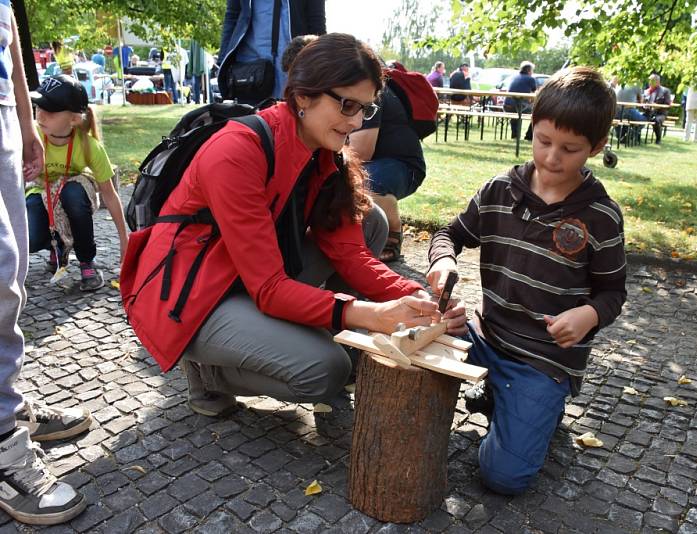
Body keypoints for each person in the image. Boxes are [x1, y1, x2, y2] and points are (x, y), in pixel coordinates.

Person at [120, 33, 449, 418]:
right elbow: (269, 289)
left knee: (371, 221)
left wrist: (419, 296)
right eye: (346, 105)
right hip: (193, 295)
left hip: (247, 276)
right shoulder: (237, 151)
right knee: (325, 370)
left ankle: (312, 340)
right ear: (302, 95)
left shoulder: (328, 155)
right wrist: (366, 314)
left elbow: (350, 253)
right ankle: (209, 372)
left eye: (365, 109)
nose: (356, 122)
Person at [427, 67, 626, 495]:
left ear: (597, 147)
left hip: (542, 361)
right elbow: (449, 234)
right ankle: (506, 402)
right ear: (532, 127)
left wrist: (588, 315)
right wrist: (443, 262)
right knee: (413, 333)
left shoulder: (601, 216)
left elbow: (613, 292)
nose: (552, 158)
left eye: (570, 149)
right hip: (486, 337)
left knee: (504, 477)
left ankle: (526, 407)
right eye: (543, 141)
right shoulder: (499, 190)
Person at [0, 5, 91, 524]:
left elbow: (6, 20)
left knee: (8, 278)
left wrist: (18, 114)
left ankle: (6, 410)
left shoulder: (82, 142)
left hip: (3, 117)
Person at [26, 74, 128, 291]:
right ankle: (57, 245)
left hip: (71, 192)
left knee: (73, 194)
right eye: (38, 106)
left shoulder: (89, 145)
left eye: (50, 111)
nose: (40, 114)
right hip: (39, 192)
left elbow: (109, 194)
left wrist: (124, 239)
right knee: (31, 239)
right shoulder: (31, 137)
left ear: (74, 119)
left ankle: (86, 262)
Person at [349, 63, 426, 263]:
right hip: (380, 164)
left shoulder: (369, 92)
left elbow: (361, 150)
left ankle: (392, 231)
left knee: (358, 182)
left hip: (403, 166)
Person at [218, 0, 326, 104]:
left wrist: (323, 65)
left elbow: (317, 22)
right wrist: (223, 61)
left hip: (293, 68)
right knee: (252, 118)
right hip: (250, 72)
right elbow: (232, 17)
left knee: (291, 117)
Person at [503, 61, 537, 140]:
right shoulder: (530, 79)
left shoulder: (514, 77)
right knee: (538, 113)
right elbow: (535, 93)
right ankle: (528, 137)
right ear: (529, 70)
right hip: (518, 107)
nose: (532, 72)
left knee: (516, 113)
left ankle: (515, 136)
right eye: (532, 70)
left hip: (506, 106)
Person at [644, 73, 672, 144]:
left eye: (652, 80)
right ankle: (635, 137)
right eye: (650, 80)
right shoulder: (646, 91)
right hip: (648, 112)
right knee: (636, 118)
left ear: (658, 82)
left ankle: (658, 139)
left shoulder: (665, 91)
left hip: (660, 113)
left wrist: (657, 106)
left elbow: (668, 104)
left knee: (656, 120)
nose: (650, 82)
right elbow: (642, 103)